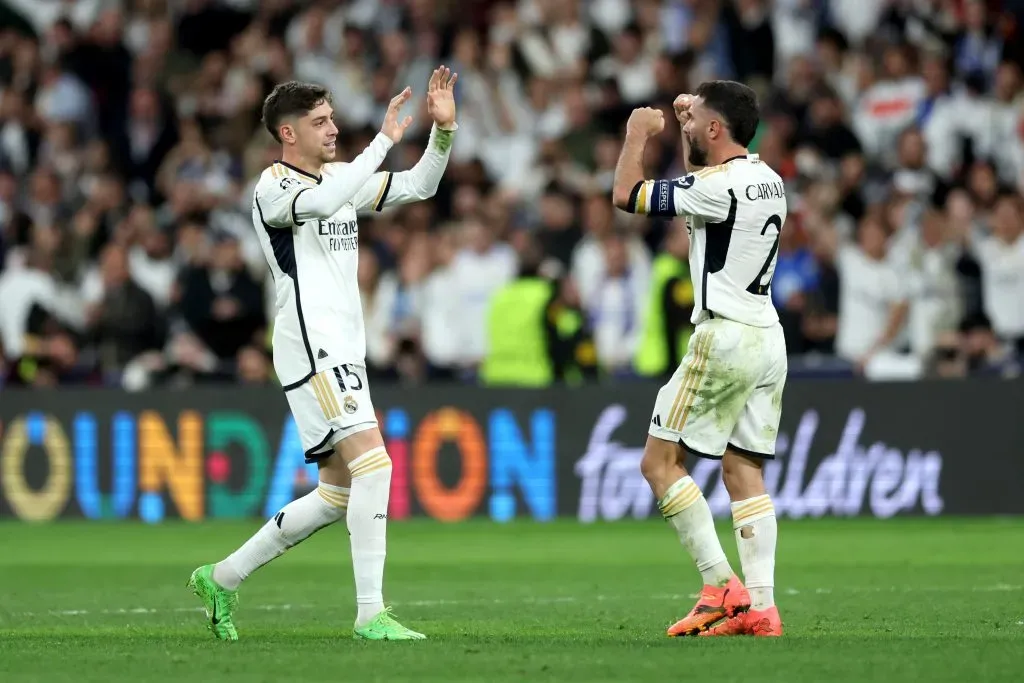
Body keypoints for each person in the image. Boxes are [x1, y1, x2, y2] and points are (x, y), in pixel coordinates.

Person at [187, 67, 459, 642]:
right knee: (377, 467)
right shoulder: (274, 187)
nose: (333, 128)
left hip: (341, 346)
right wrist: (384, 139)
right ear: (288, 134)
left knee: (338, 492)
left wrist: (442, 133)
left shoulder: (340, 175)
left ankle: (221, 577)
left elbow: (419, 186)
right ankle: (370, 614)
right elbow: (329, 197)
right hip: (313, 345)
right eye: (320, 121)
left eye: (332, 117)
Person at [611, 81, 787, 637]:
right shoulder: (769, 179)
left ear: (716, 129)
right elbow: (706, 158)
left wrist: (638, 132)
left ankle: (720, 588)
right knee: (742, 471)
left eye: (695, 121)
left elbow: (627, 194)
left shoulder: (715, 187)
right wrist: (694, 125)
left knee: (658, 464)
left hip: (725, 338)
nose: (683, 124)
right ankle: (761, 608)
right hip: (768, 336)